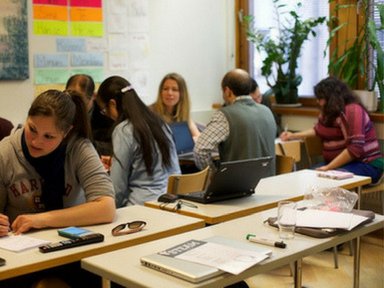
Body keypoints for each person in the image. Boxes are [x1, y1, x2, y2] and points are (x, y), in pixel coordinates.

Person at [0, 89, 115, 287]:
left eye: (49, 136)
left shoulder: (79, 148)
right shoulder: (6, 152)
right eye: (32, 129)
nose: (36, 141)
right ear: (26, 119)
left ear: (66, 132)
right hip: (20, 258)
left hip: (69, 251)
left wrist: (41, 219)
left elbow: (105, 206)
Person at [96, 76, 181, 207]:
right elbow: (175, 172)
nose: (107, 115)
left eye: (104, 110)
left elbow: (117, 189)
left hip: (140, 208)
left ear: (113, 104)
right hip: (170, 204)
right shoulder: (160, 123)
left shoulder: (123, 130)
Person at [280, 76, 383, 183]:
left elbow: (355, 149)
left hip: (366, 164)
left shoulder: (353, 110)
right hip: (342, 164)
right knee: (307, 177)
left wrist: (329, 167)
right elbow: (318, 130)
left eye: (320, 98)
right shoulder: (329, 113)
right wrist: (292, 135)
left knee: (327, 180)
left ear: (331, 97)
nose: (318, 102)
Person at [193, 68, 276, 175]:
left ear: (228, 91)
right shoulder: (267, 111)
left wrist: (214, 175)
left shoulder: (225, 115)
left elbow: (200, 150)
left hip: (240, 187)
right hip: (270, 185)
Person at [66, 74, 115, 157]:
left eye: (80, 100)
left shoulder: (106, 115)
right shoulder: (61, 109)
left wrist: (89, 145)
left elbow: (113, 147)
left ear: (93, 96)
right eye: (70, 97)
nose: (75, 104)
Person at [150, 72, 201, 140]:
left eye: (174, 89)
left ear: (182, 94)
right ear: (160, 92)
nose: (169, 93)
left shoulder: (183, 114)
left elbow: (198, 137)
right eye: (165, 89)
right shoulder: (150, 112)